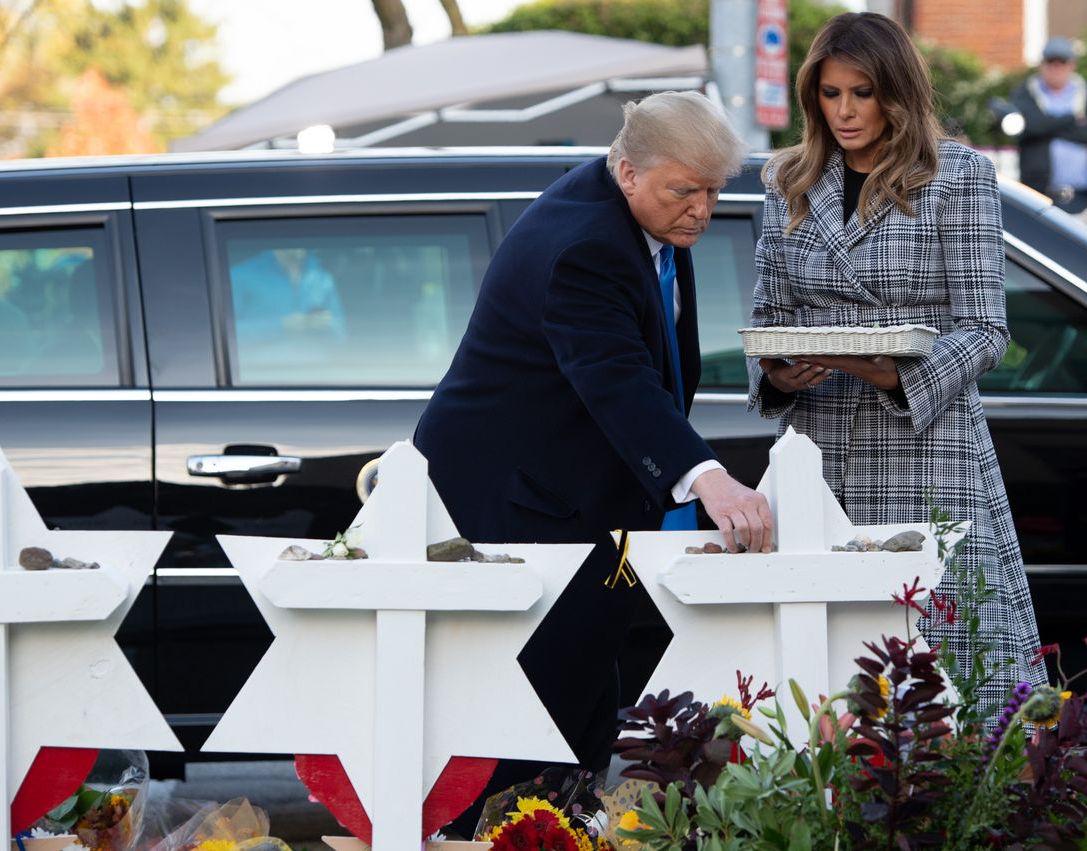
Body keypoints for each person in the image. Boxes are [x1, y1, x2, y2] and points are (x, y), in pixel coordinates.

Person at [413, 91, 774, 834]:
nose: (702, 211)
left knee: (587, 692)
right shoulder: (585, 244)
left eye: (714, 192)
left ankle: (567, 828)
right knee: (530, 711)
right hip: (516, 502)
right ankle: (510, 836)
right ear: (628, 170)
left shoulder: (644, 209)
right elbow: (617, 377)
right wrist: (706, 475)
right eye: (685, 191)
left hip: (584, 498)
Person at [749, 12, 1047, 716]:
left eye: (862, 92)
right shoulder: (788, 177)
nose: (846, 111)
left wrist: (897, 375)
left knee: (943, 666)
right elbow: (767, 318)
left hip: (928, 449)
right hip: (819, 454)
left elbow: (985, 328)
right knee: (820, 670)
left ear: (897, 92)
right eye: (830, 94)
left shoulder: (958, 175)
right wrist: (778, 373)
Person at [1009, 37, 1087, 214]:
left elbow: (1039, 127)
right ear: (1042, 65)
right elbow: (1030, 127)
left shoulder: (1083, 93)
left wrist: (1046, 126)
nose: (1056, 68)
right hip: (1040, 196)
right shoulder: (1024, 94)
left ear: (1072, 65)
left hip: (1083, 199)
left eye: (1062, 62)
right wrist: (1072, 119)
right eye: (1051, 62)